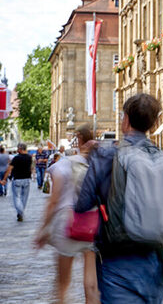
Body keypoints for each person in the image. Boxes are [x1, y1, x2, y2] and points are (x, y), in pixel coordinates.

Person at [76, 93, 163, 304]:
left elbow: (82, 204)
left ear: (125, 120)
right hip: (158, 261)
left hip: (118, 260)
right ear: (154, 124)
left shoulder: (105, 156)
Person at [35, 125, 99, 304]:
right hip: (92, 223)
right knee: (92, 286)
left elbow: (53, 201)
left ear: (77, 141)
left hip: (68, 223)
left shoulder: (63, 163)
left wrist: (43, 229)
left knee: (63, 285)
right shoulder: (97, 164)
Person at [1, 143, 34, 221]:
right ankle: (20, 212)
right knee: (24, 197)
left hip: (17, 179)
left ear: (20, 149)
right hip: (26, 179)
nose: (17, 150)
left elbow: (9, 169)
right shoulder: (29, 157)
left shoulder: (16, 158)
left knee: (16, 197)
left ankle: (20, 211)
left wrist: (4, 179)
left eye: (18, 148)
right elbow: (31, 167)